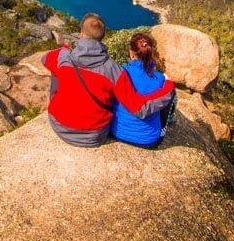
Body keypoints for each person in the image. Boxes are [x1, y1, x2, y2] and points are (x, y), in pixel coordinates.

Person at [43, 13, 175, 147]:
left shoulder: (62, 56)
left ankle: (64, 107)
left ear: (82, 33)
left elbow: (44, 59)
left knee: (56, 69)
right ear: (103, 37)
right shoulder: (113, 70)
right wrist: (169, 87)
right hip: (93, 136)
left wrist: (65, 50)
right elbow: (139, 108)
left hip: (58, 125)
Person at [110, 33, 177, 149]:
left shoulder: (120, 72)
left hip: (117, 132)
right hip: (148, 139)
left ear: (131, 52)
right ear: (151, 53)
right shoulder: (160, 78)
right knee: (170, 94)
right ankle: (170, 120)